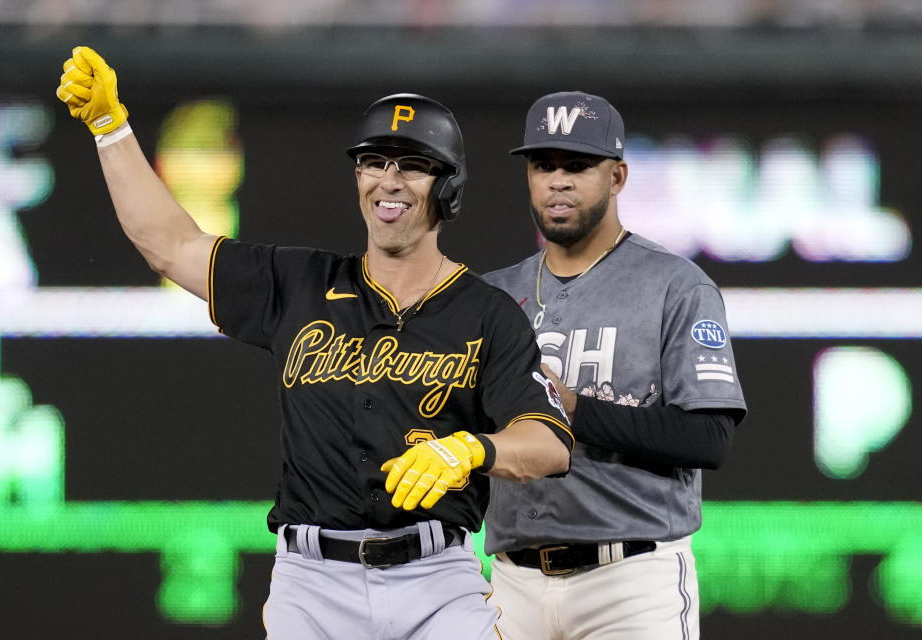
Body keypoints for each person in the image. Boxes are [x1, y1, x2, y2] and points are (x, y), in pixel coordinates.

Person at [56, 46, 574, 639]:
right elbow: (171, 245)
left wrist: (469, 451)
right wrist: (109, 129)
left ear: (448, 187)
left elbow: (548, 442)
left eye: (412, 164)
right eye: (373, 161)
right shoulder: (299, 284)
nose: (389, 179)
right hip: (312, 583)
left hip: (437, 581)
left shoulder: (487, 314)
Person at [483, 91, 748, 639]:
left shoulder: (674, 285)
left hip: (630, 579)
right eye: (543, 165)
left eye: (577, 165)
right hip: (513, 581)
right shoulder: (492, 295)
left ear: (618, 176)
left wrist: (570, 408)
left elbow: (710, 437)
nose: (558, 180)